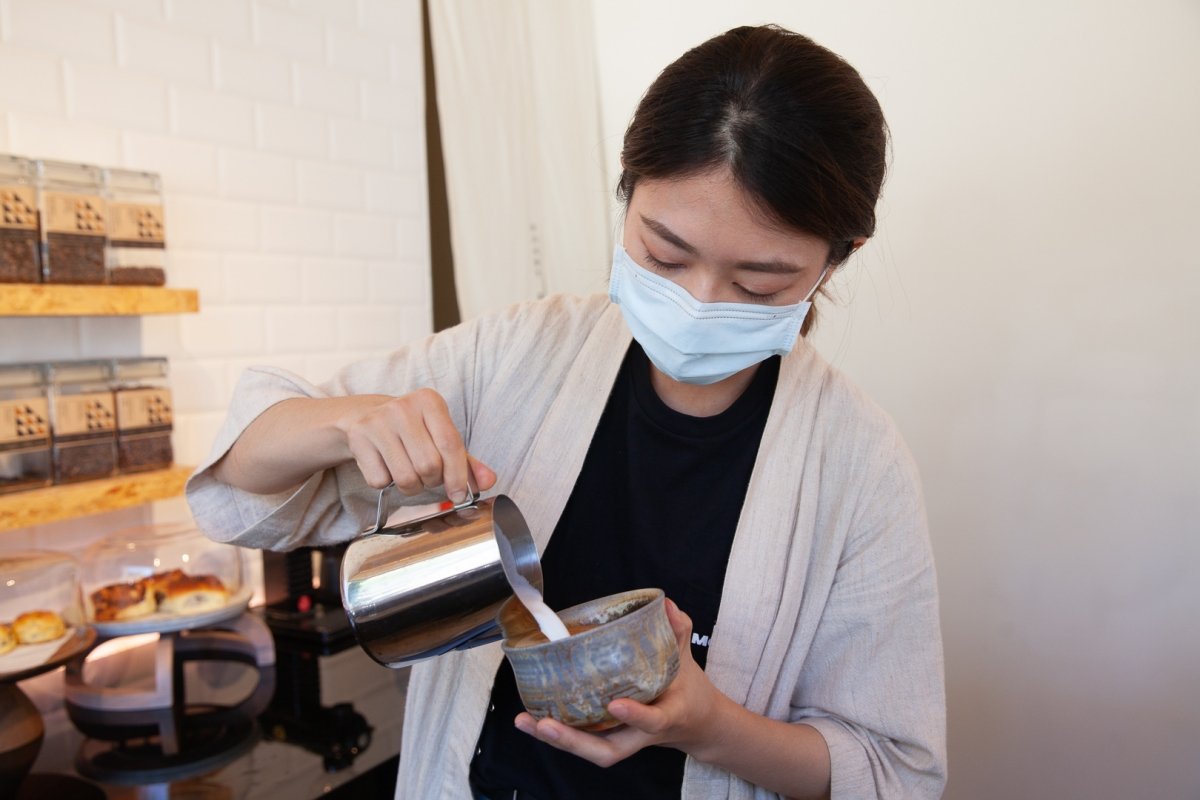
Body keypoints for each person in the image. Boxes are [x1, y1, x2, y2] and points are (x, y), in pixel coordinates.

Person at [187, 24, 946, 800]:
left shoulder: (858, 464)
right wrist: (347, 422)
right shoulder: (520, 353)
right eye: (664, 254)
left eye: (758, 286)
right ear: (627, 189)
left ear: (837, 257)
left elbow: (895, 770)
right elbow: (236, 490)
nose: (697, 303)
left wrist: (708, 725)